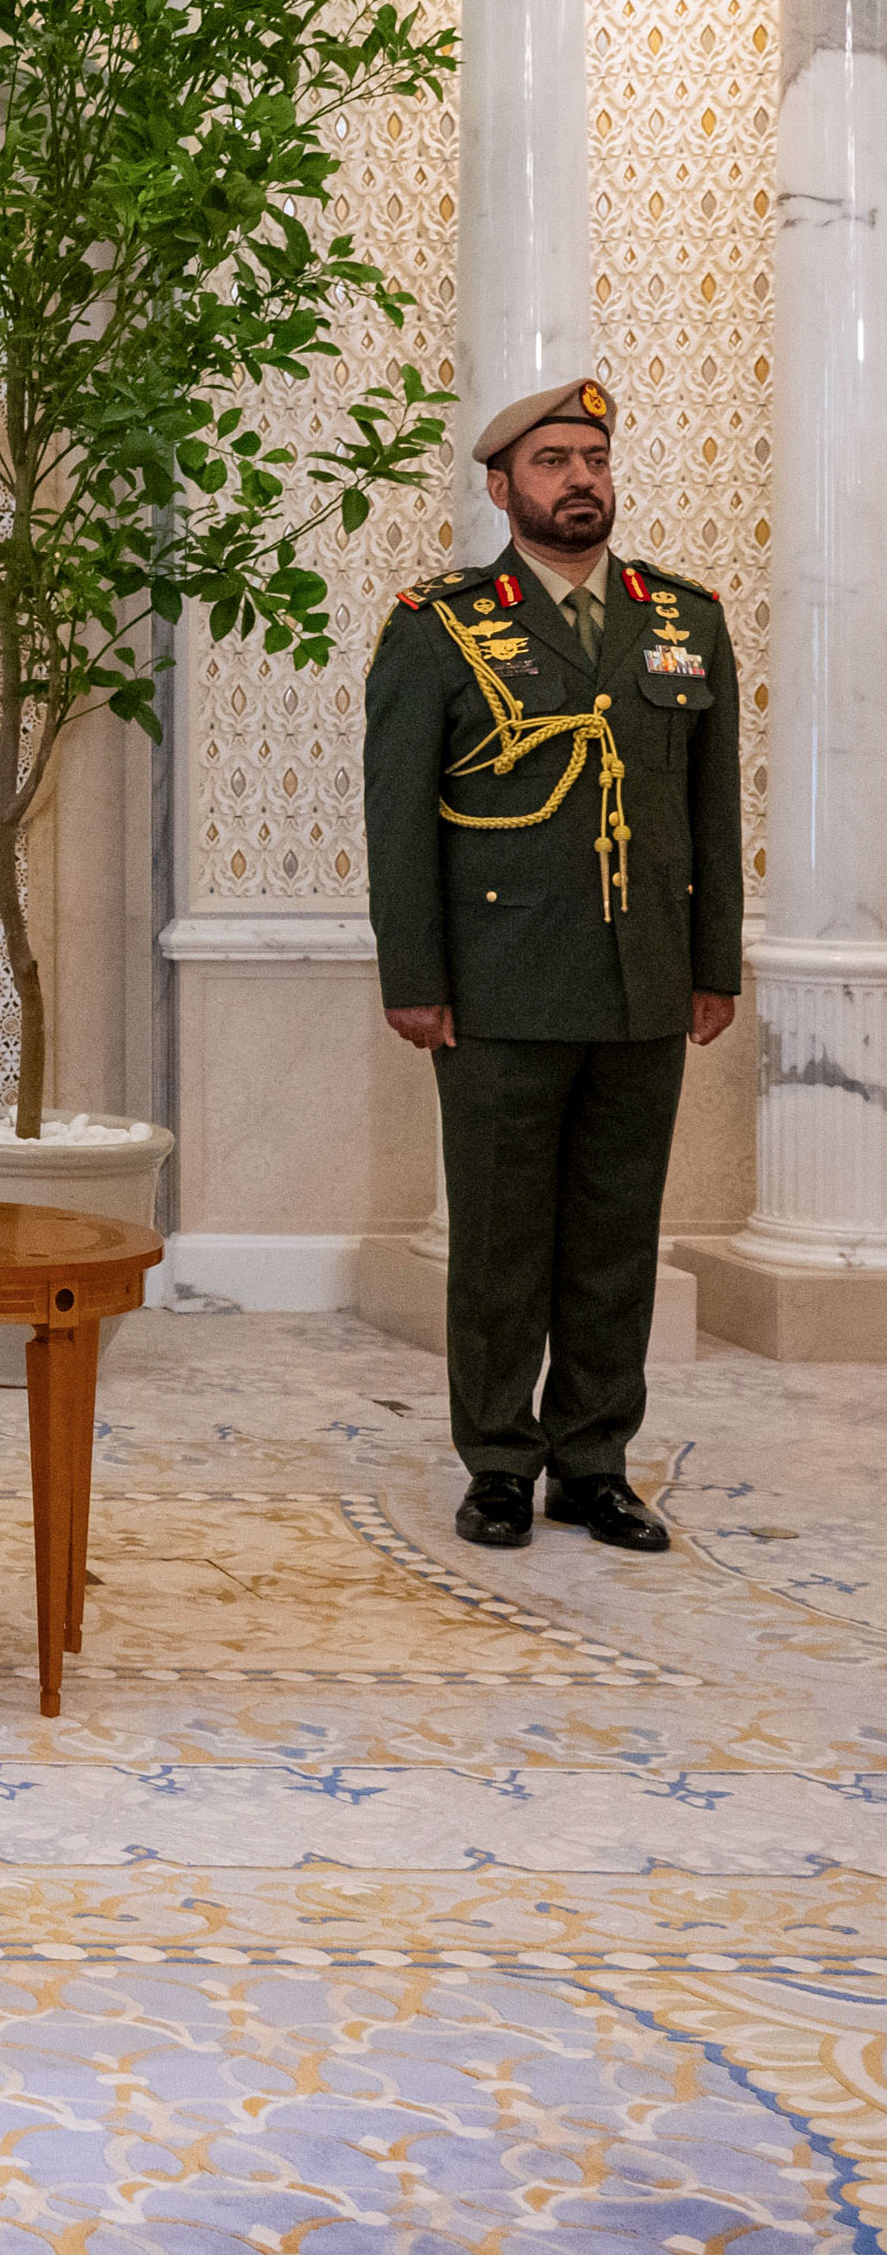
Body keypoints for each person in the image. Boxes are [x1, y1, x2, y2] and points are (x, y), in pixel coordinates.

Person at [366, 377, 738, 1558]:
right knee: (499, 1239)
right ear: (500, 487)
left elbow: (711, 811)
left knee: (618, 1235)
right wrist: (413, 978)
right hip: (499, 986)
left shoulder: (682, 619)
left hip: (642, 982)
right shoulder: (439, 627)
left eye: (592, 457)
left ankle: (592, 1463)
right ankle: (496, 1464)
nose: (580, 478)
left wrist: (712, 963)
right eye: (551, 462)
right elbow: (396, 819)